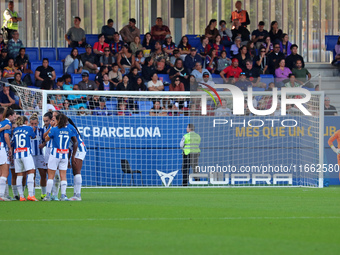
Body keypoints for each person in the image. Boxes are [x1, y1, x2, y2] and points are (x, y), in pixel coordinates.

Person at [43, 114, 77, 201]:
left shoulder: (54, 129)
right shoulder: (69, 129)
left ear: (58, 120)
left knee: (51, 176)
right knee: (63, 176)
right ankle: (63, 195)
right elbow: (74, 141)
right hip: (65, 154)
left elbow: (46, 139)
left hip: (55, 154)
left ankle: (48, 196)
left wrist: (50, 131)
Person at [11, 116, 38, 201]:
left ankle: (21, 196)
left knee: (19, 175)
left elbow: (12, 142)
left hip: (17, 154)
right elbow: (33, 136)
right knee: (31, 172)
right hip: (26, 153)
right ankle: (30, 195)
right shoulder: (29, 128)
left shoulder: (15, 130)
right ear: (26, 121)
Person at [66, 117, 86, 201]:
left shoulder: (69, 127)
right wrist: (68, 159)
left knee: (77, 171)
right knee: (75, 171)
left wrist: (73, 156)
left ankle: (78, 195)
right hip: (75, 149)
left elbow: (75, 142)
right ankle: (76, 194)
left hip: (79, 149)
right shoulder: (65, 128)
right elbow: (70, 146)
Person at [29, 113, 47, 199]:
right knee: (32, 175)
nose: (34, 125)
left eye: (35, 124)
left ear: (38, 123)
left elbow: (45, 140)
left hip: (40, 155)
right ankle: (32, 194)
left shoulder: (42, 130)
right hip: (30, 156)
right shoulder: (27, 130)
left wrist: (43, 144)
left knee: (43, 174)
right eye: (32, 124)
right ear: (29, 123)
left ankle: (43, 194)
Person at [0, 108, 15, 201]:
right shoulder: (7, 122)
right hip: (2, 148)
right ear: (10, 116)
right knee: (5, 173)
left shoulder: (1, 122)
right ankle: (1, 195)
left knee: (1, 173)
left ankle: (4, 194)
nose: (15, 117)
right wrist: (9, 147)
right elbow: (6, 136)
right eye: (14, 115)